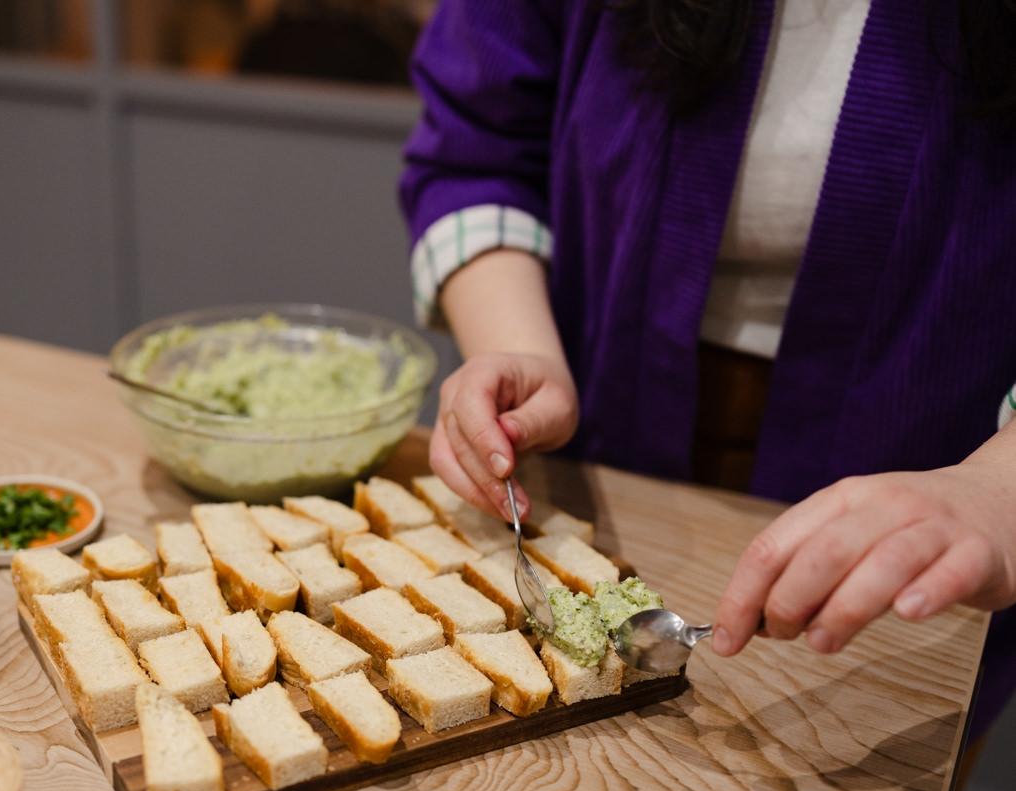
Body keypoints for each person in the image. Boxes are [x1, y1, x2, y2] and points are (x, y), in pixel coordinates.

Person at [399, 0, 1016, 744]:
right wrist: (520, 347)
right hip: (594, 462)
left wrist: (999, 489)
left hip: (934, 525)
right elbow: (478, 153)